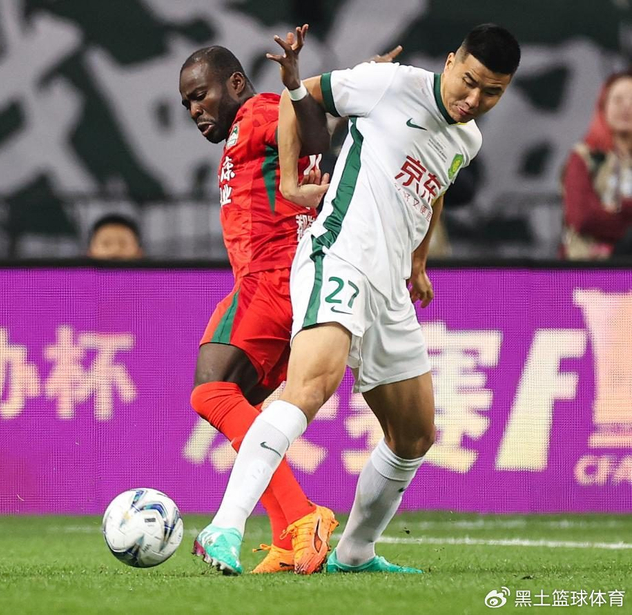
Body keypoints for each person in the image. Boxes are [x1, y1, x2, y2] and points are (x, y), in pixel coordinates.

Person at [194, 23, 520, 576]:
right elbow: (300, 98)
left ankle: (354, 552)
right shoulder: (392, 85)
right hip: (339, 255)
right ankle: (224, 527)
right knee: (309, 389)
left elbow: (435, 188)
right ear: (450, 61)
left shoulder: (468, 140)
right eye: (468, 81)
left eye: (492, 92)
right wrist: (291, 183)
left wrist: (419, 261)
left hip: (389, 287)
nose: (474, 100)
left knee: (414, 435)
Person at [179, 26, 338, 576]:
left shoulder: (260, 111)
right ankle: (290, 538)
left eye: (200, 95)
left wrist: (295, 88)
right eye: (187, 103)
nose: (194, 110)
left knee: (211, 391)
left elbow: (313, 138)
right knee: (249, 415)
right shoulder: (243, 129)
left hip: (271, 278)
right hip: (282, 282)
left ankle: (303, 516)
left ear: (235, 83)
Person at [561, 70, 632, 259]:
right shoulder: (583, 156)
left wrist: (616, 210)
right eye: (618, 100)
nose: (626, 107)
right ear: (603, 106)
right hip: (591, 267)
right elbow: (583, 218)